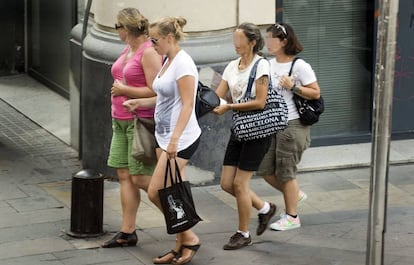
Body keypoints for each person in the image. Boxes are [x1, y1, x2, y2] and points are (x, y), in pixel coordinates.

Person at [123, 17, 201, 265]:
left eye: (154, 40)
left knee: (157, 192)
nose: (151, 44)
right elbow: (166, 98)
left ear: (169, 38)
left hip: (180, 139)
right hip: (164, 137)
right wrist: (141, 102)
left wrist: (175, 140)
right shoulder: (168, 60)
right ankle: (179, 244)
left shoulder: (184, 64)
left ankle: (189, 238)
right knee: (173, 192)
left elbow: (188, 104)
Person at [212, 22, 277, 250]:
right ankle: (265, 208)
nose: (235, 44)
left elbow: (260, 102)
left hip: (258, 131)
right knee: (226, 183)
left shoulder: (262, 66)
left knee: (240, 185)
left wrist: (228, 107)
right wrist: (201, 99)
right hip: (240, 129)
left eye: (239, 41)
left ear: (251, 42)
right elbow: (218, 96)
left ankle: (243, 233)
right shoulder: (232, 66)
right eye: (234, 40)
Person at [102, 8, 162, 248]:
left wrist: (125, 91)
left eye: (117, 27)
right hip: (120, 119)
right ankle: (127, 231)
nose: (116, 31)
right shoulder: (129, 48)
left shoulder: (148, 52)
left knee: (141, 178)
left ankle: (178, 213)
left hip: (140, 122)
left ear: (124, 29)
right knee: (124, 174)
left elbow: (157, 90)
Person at [257, 23, 321, 231]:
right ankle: (296, 194)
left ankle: (292, 217)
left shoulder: (299, 66)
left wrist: (293, 86)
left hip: (292, 125)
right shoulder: (267, 63)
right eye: (266, 38)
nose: (267, 42)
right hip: (272, 123)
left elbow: (316, 93)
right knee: (265, 169)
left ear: (284, 41)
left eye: (271, 38)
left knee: (286, 172)